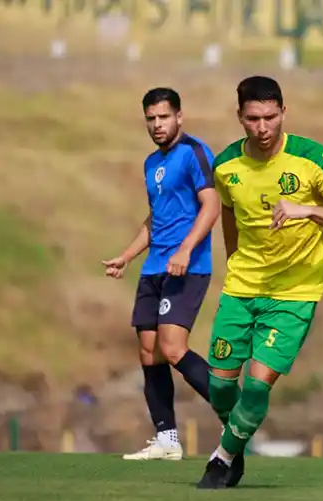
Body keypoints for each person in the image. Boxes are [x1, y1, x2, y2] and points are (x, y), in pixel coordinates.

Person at [195, 75, 323, 489]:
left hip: (295, 292)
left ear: (284, 112)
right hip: (241, 287)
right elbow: (230, 216)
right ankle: (234, 444)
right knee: (219, 386)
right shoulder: (226, 165)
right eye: (253, 118)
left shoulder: (314, 159)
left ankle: (222, 459)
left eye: (271, 116)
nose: (263, 127)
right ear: (240, 117)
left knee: (255, 387)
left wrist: (307, 210)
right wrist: (235, 261)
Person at [102, 87, 220, 461]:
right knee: (149, 352)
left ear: (179, 116)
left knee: (172, 349)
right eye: (151, 119)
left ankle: (233, 411)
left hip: (188, 266)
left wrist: (186, 250)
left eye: (163, 117)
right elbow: (156, 219)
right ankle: (167, 439)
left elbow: (211, 205)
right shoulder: (151, 162)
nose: (157, 125)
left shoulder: (195, 153)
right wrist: (126, 255)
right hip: (155, 266)